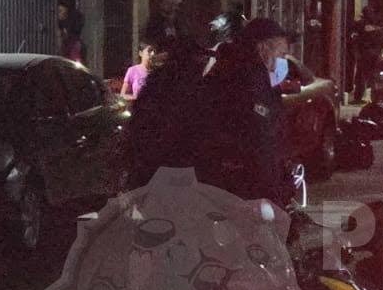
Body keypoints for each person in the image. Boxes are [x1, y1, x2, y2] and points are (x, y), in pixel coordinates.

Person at [197, 18, 295, 206]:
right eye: (281, 54)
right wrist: (273, 191)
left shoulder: (255, 79)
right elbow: (259, 141)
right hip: (243, 191)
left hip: (237, 187)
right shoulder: (246, 82)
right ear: (263, 48)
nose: (284, 62)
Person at [124, 38, 211, 189]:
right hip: (170, 163)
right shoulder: (189, 87)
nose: (202, 64)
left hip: (153, 164)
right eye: (199, 59)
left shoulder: (156, 82)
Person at [349, 6, 383, 103]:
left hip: (364, 53)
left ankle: (358, 97)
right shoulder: (378, 26)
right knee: (373, 76)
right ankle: (375, 97)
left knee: (360, 76)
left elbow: (354, 34)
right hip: (375, 53)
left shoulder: (360, 24)